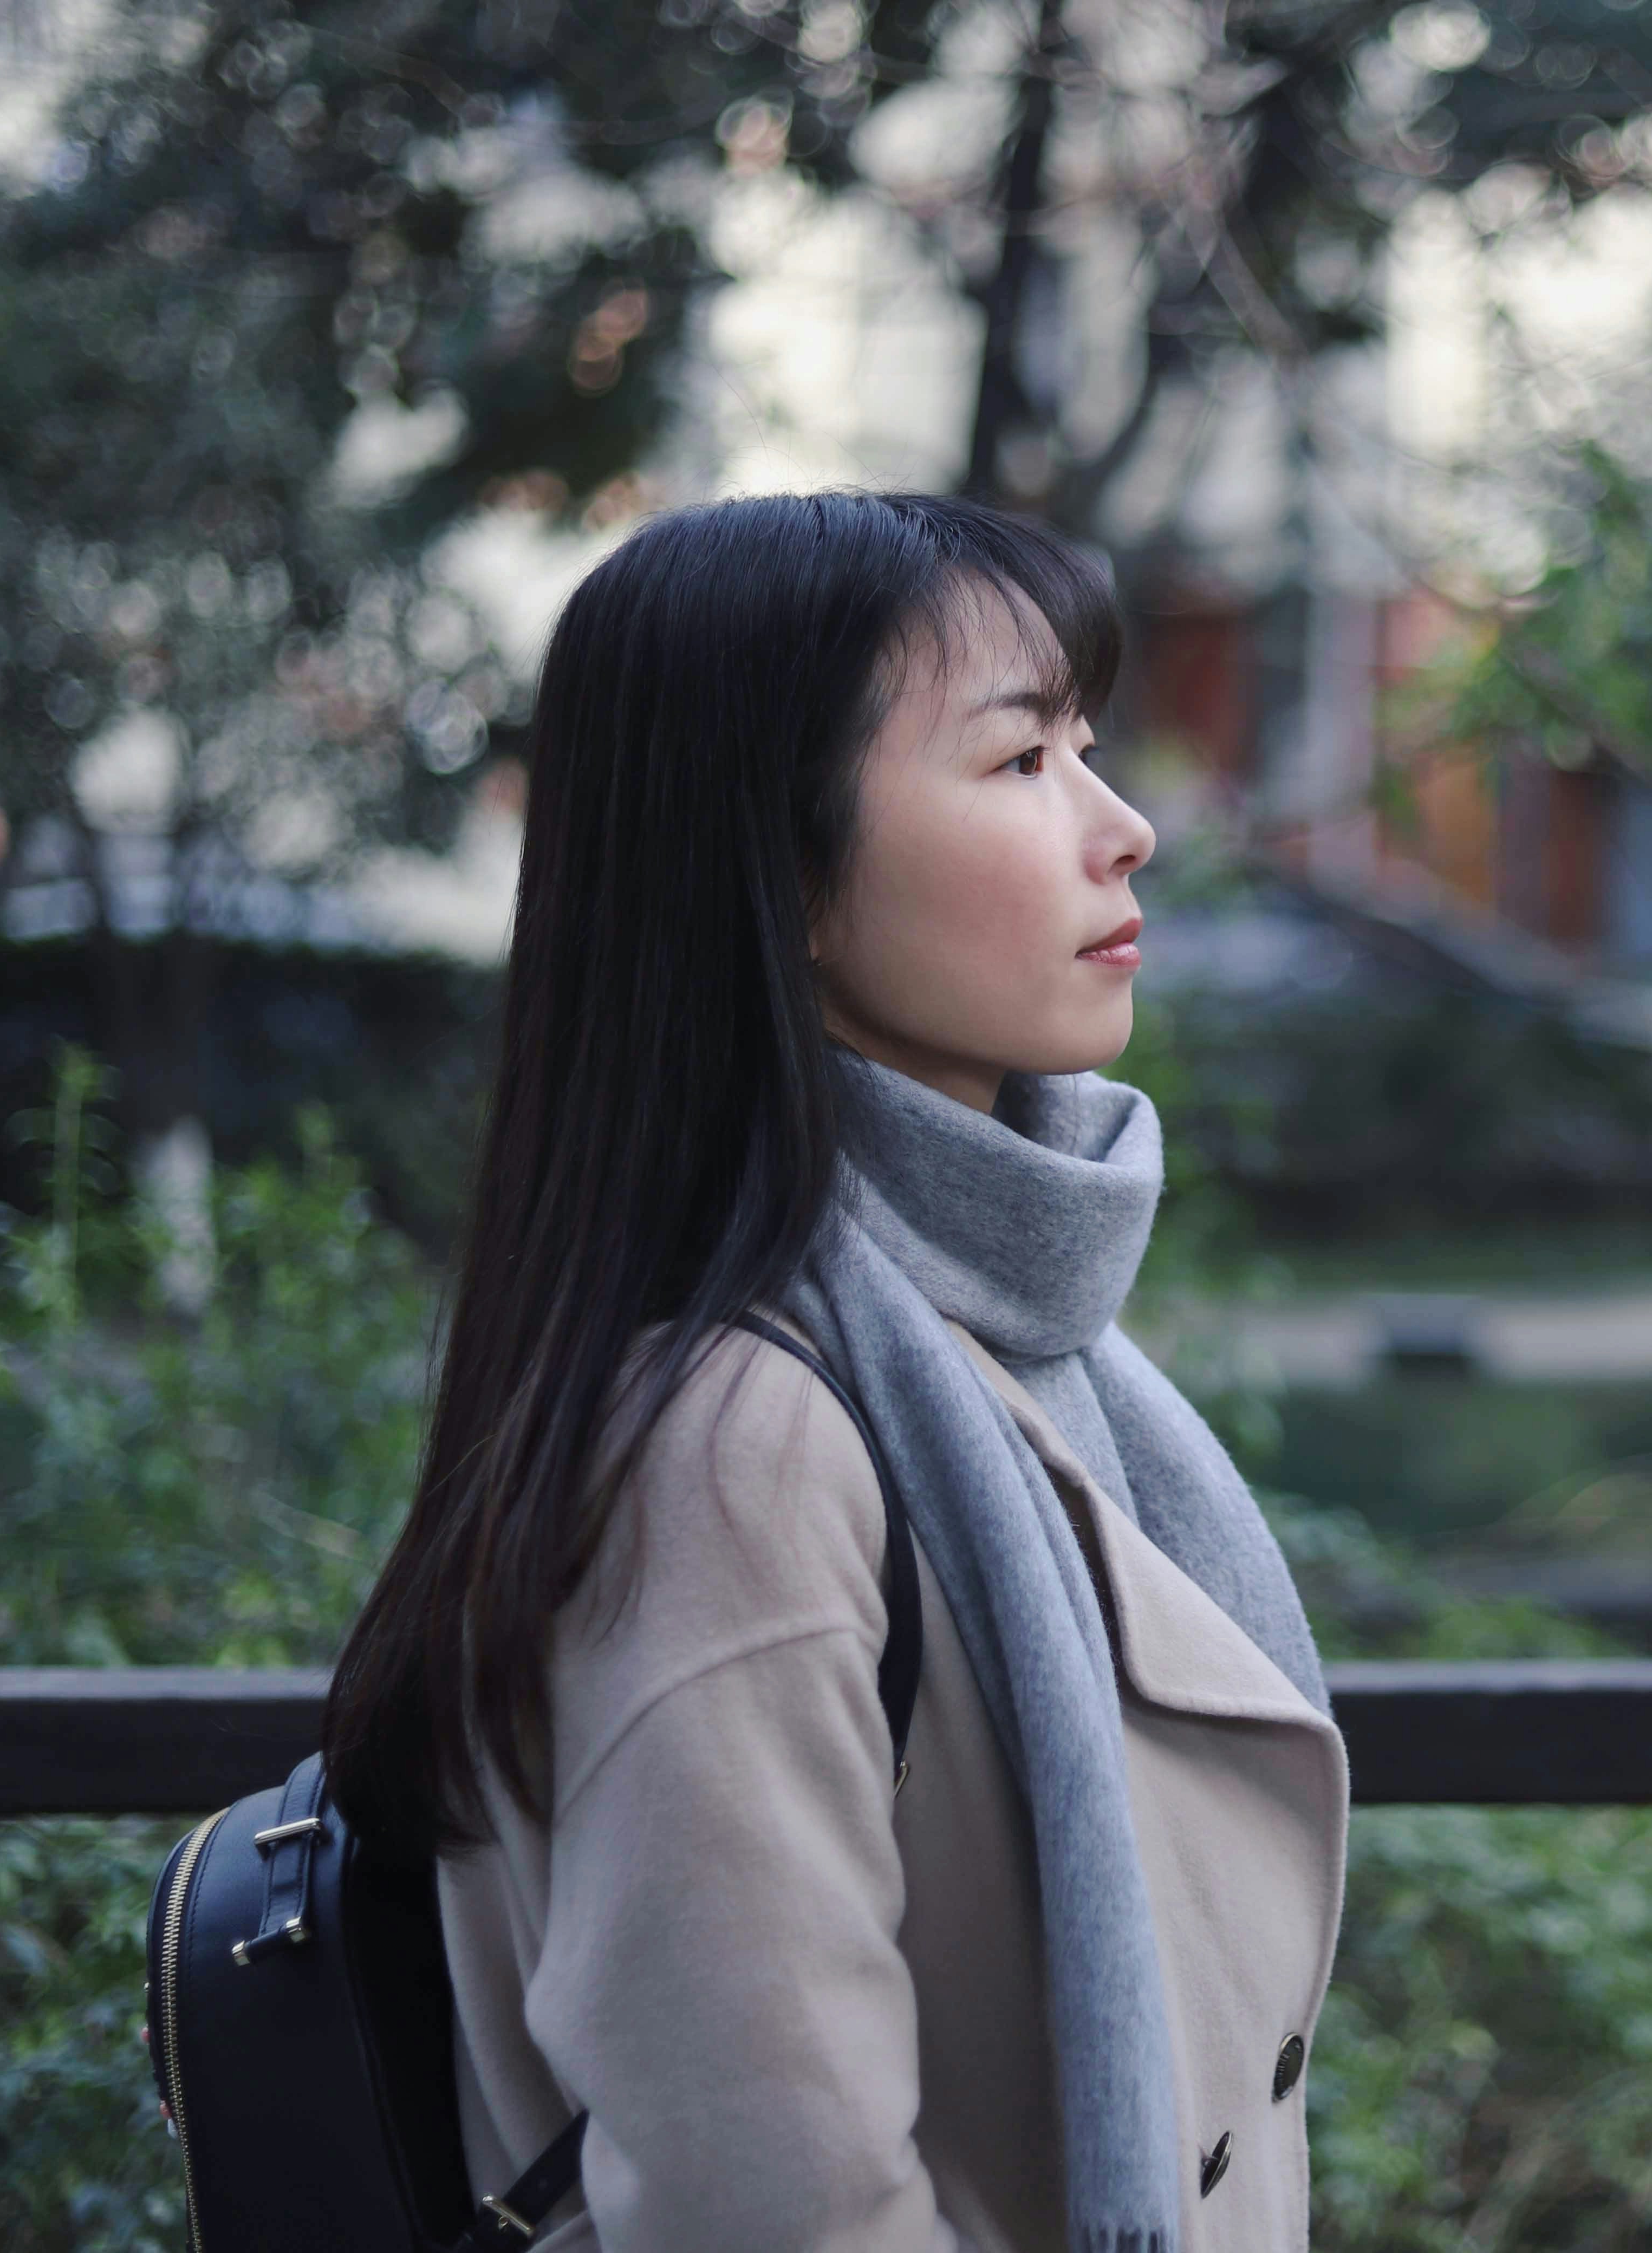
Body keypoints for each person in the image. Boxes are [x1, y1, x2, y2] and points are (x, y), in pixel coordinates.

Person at [320, 492, 1344, 2251]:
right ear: (782, 871)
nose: (1126, 829)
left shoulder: (988, 1346)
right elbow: (767, 2202)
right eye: (1022, 763)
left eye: (1089, 747)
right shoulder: (735, 1448)